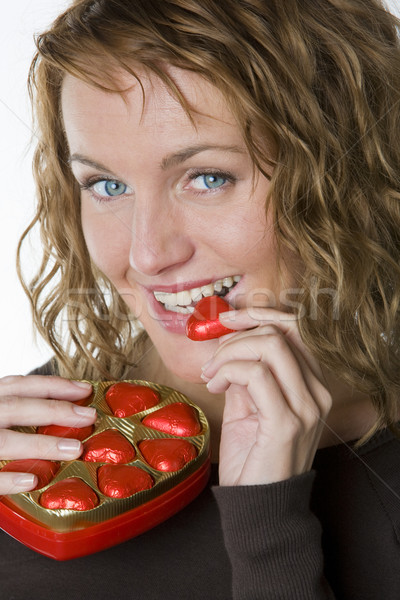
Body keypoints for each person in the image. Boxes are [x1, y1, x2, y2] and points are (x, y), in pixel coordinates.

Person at [1, 0, 400, 597]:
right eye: (106, 185)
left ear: (350, 179)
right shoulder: (28, 452)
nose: (146, 256)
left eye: (209, 177)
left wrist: (268, 519)